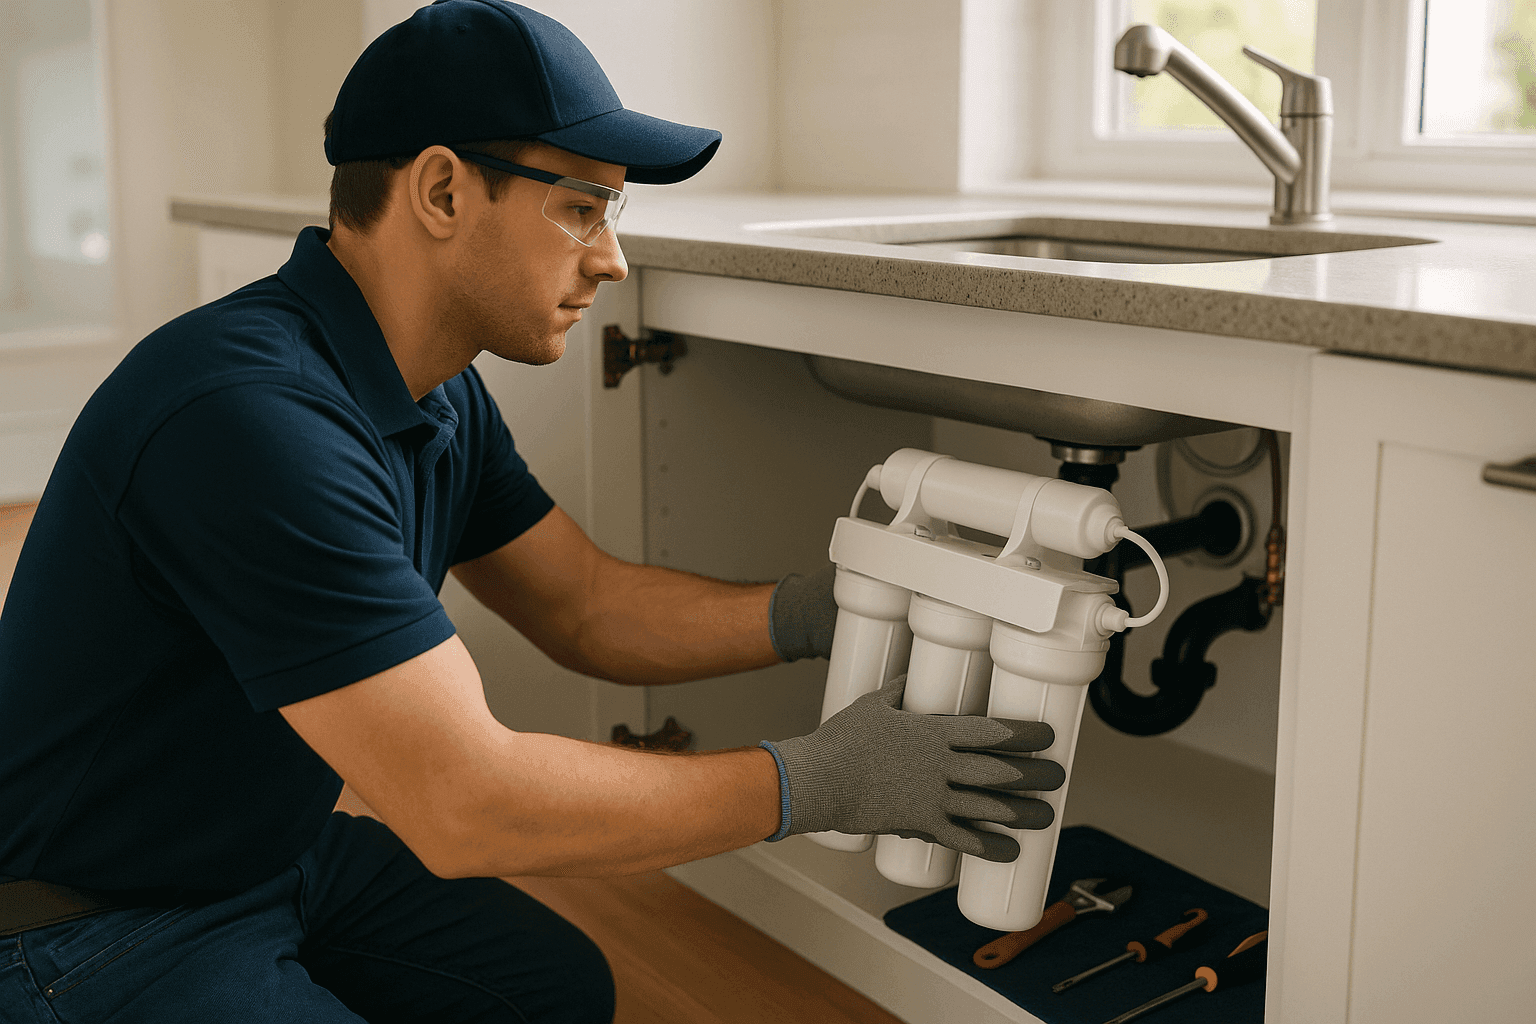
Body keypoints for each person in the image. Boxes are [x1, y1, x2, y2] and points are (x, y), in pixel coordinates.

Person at [0, 2, 1063, 1021]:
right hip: (82, 918)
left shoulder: (433, 388)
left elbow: (584, 603)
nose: (611, 257)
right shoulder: (249, 418)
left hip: (263, 850)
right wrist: (819, 781)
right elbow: (467, 801)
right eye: (581, 207)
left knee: (549, 992)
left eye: (614, 212)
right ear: (443, 192)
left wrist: (810, 611)